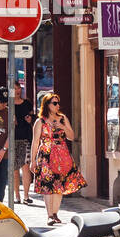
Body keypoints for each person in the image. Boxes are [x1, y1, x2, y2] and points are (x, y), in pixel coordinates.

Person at [30, 91, 86, 224]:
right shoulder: (40, 121)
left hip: (62, 155)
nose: (57, 105)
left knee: (59, 184)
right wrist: (32, 161)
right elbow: (35, 141)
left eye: (58, 103)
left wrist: (62, 126)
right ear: (47, 105)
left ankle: (55, 213)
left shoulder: (62, 118)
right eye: (54, 103)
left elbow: (72, 136)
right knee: (48, 185)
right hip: (46, 155)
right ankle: (49, 215)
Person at [13, 81, 35, 204]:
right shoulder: (8, 105)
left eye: (19, 88)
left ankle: (26, 196)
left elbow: (33, 118)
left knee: (25, 168)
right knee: (15, 169)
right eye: (15, 88)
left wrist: (30, 120)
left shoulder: (27, 103)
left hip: (25, 138)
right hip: (12, 139)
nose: (17, 91)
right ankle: (17, 196)